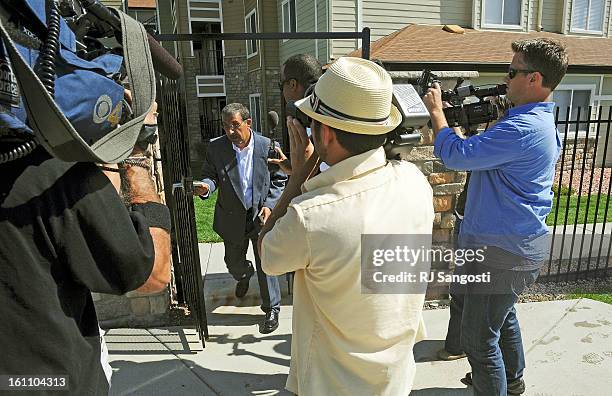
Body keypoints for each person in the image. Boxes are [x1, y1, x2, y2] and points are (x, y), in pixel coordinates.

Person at [258, 57, 434, 395]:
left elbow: (269, 254)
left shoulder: (311, 215)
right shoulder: (415, 182)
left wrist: (298, 174)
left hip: (333, 383)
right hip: (394, 376)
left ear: (324, 132)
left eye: (313, 123)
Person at [423, 38, 568, 395]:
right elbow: (475, 154)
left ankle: (496, 386)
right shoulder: (536, 122)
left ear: (534, 78)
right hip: (511, 246)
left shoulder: (521, 129)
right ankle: (513, 381)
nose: (506, 79)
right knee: (502, 319)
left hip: (500, 250)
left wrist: (437, 113)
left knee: (478, 340)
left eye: (512, 71)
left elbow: (455, 158)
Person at [194, 103, 287, 334]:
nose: (230, 132)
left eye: (235, 125)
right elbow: (210, 175)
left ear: (248, 123)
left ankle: (272, 308)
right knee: (232, 263)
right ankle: (244, 275)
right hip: (231, 216)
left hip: (259, 216)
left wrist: (269, 206)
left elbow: (279, 179)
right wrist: (206, 187)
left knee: (266, 263)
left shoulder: (268, 146)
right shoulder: (217, 148)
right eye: (226, 127)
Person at [438, 95, 513, 362]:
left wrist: (440, 119)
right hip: (468, 222)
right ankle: (457, 345)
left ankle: (460, 347)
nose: (481, 114)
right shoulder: (491, 140)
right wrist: (457, 122)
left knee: (469, 297)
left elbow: (461, 156)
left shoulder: (503, 141)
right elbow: (468, 150)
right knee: (466, 292)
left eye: (486, 108)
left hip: (484, 234)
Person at [269, 53, 323, 174]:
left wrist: (298, 174)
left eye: (280, 85)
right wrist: (293, 169)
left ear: (293, 84)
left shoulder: (323, 121)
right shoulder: (315, 113)